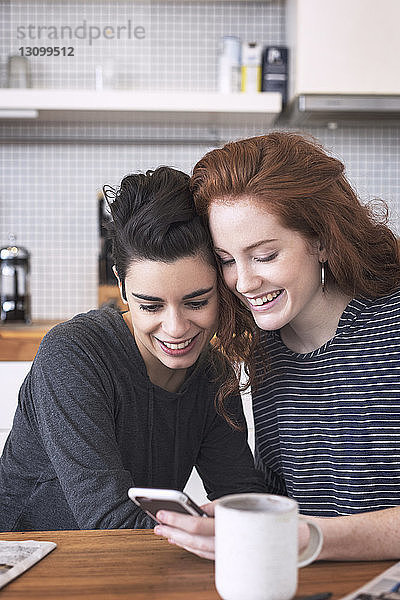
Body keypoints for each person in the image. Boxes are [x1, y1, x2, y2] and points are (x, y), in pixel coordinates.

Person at [153, 132, 400, 561]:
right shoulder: (265, 349)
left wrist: (301, 537)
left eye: (265, 255)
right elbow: (286, 502)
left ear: (322, 240)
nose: (244, 282)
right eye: (227, 260)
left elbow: (302, 531)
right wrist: (247, 521)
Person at [0, 166, 265, 532]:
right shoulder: (73, 354)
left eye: (197, 302)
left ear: (222, 286)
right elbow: (110, 523)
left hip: (135, 565)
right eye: (150, 306)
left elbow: (242, 499)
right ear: (122, 288)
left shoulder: (213, 375)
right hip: (32, 564)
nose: (175, 328)